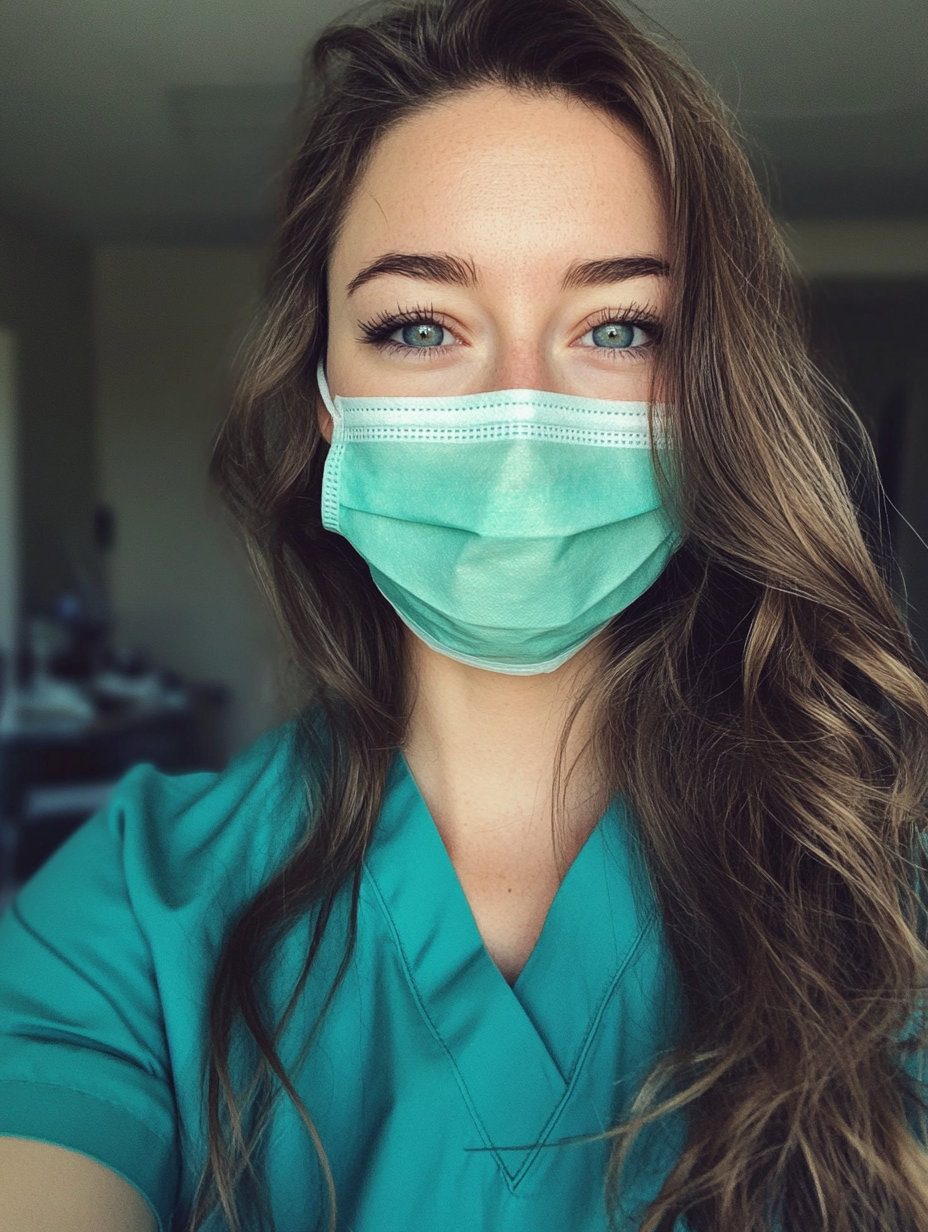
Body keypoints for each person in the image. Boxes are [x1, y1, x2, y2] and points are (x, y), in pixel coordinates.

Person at [3, 0, 928, 1228]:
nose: (519, 423)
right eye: (421, 326)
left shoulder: (880, 892)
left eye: (619, 326)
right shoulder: (121, 917)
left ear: (705, 391)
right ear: (326, 392)